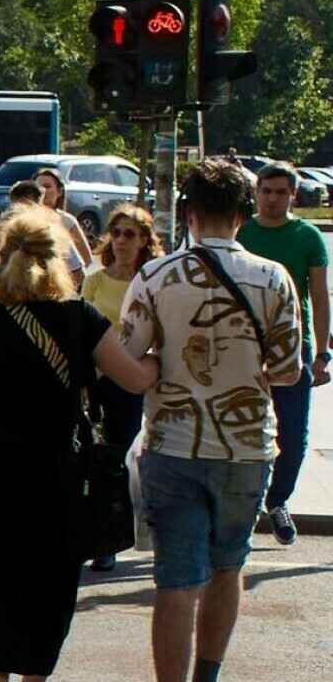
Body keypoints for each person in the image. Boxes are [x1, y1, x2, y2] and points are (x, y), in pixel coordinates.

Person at [0, 207, 158, 682]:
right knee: (51, 585)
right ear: (56, 261)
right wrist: (163, 362)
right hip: (57, 474)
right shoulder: (80, 318)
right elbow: (133, 377)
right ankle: (35, 677)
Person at [119, 159, 301, 682]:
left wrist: (158, 365)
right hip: (246, 449)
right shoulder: (273, 278)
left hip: (172, 444)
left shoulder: (154, 275)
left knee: (175, 579)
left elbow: (129, 358)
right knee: (228, 565)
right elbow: (288, 372)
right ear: (244, 213)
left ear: (187, 212)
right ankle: (208, 675)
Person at [235, 162, 330, 546]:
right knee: (242, 427)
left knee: (293, 434)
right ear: (257, 194)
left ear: (293, 195)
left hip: (294, 347)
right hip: (244, 346)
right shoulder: (243, 233)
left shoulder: (307, 236)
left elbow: (320, 298)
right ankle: (245, 503)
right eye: (266, 191)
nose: (272, 199)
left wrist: (322, 354)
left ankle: (278, 501)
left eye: (280, 192)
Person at [78, 203, 164, 571]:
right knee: (94, 456)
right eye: (116, 233)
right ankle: (99, 538)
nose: (121, 241)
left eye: (130, 234)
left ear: (145, 240)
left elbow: (156, 334)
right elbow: (80, 329)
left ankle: (119, 534)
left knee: (120, 455)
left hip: (127, 380)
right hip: (93, 382)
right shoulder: (96, 280)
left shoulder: (149, 280)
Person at [33, 168, 94, 285]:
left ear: (59, 192)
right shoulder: (23, 220)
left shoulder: (66, 221)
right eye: (38, 187)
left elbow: (86, 259)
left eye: (47, 186)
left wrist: (63, 279)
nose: (42, 191)